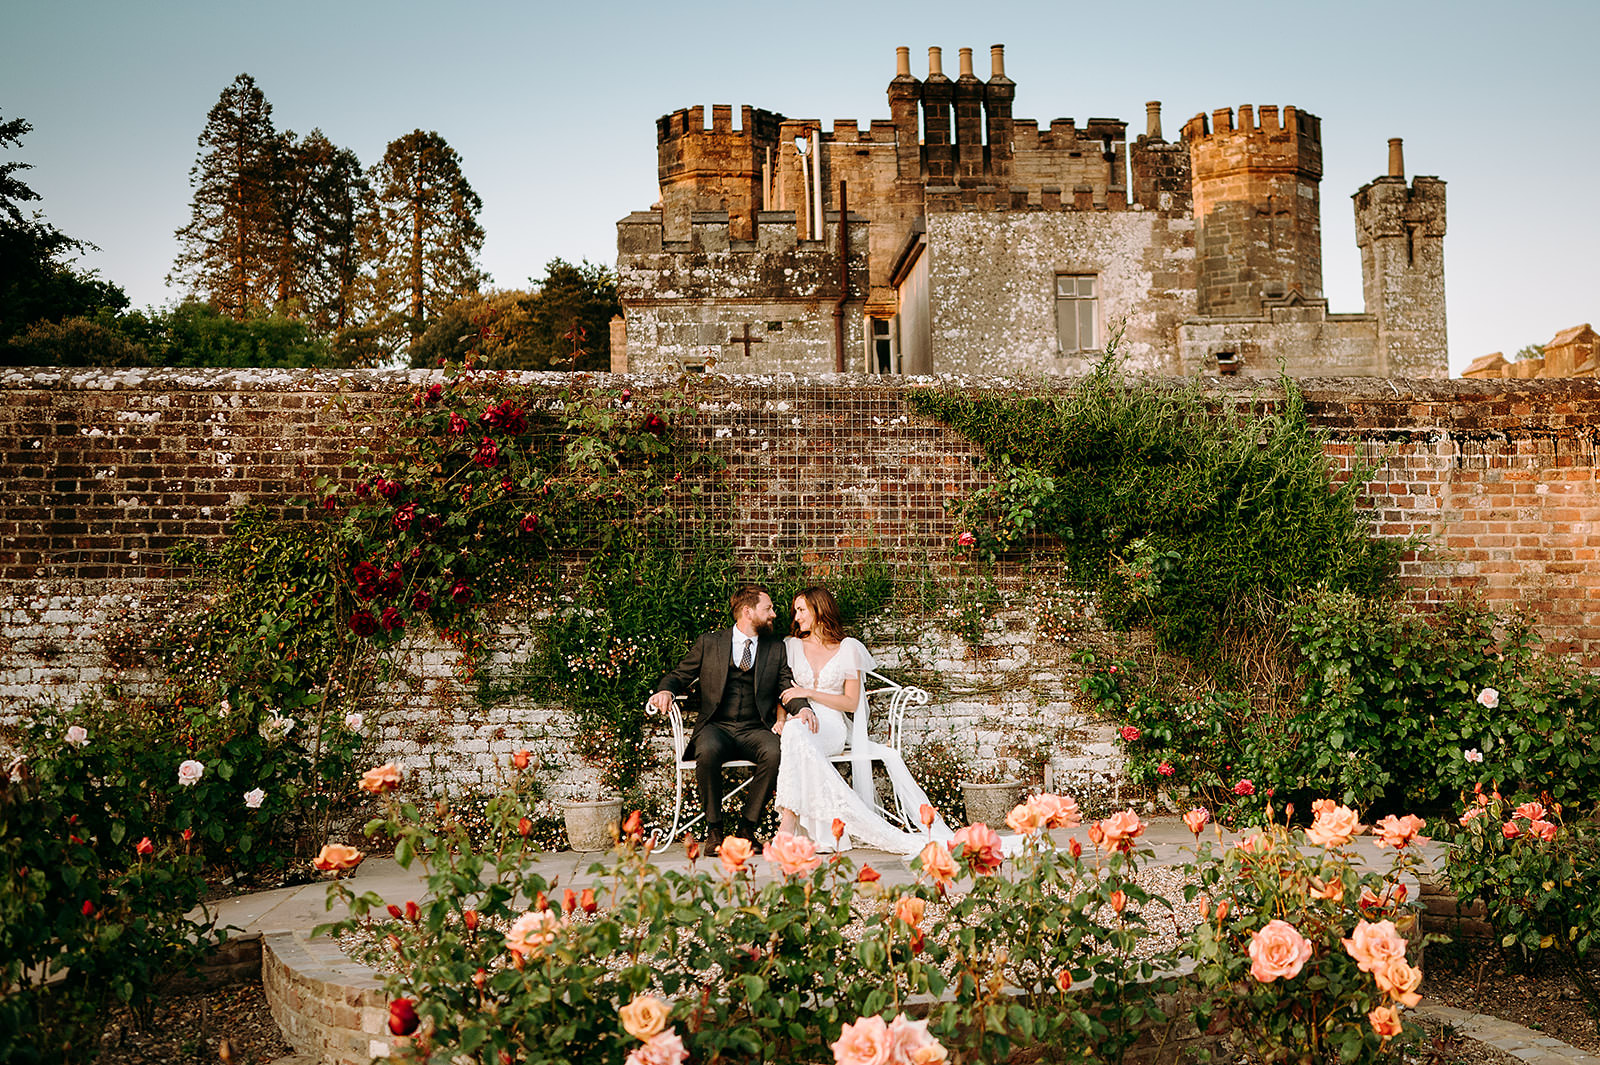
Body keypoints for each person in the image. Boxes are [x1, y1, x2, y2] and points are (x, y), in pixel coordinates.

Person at [773, 586, 957, 855]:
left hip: (831, 725)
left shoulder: (848, 648)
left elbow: (849, 702)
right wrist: (781, 717)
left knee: (795, 735)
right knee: (794, 732)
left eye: (801, 609)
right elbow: (782, 690)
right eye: (796, 610)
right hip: (797, 720)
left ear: (818, 610)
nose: (796, 615)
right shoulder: (791, 646)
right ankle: (809, 829)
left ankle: (789, 825)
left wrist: (810, 692)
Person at [649, 584, 811, 850]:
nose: (773, 614)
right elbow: (680, 674)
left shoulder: (775, 648)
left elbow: (785, 685)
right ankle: (714, 831)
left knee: (775, 752)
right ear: (748, 612)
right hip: (717, 726)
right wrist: (666, 690)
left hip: (754, 727)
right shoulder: (710, 643)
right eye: (767, 608)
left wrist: (802, 708)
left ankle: (747, 830)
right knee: (708, 749)